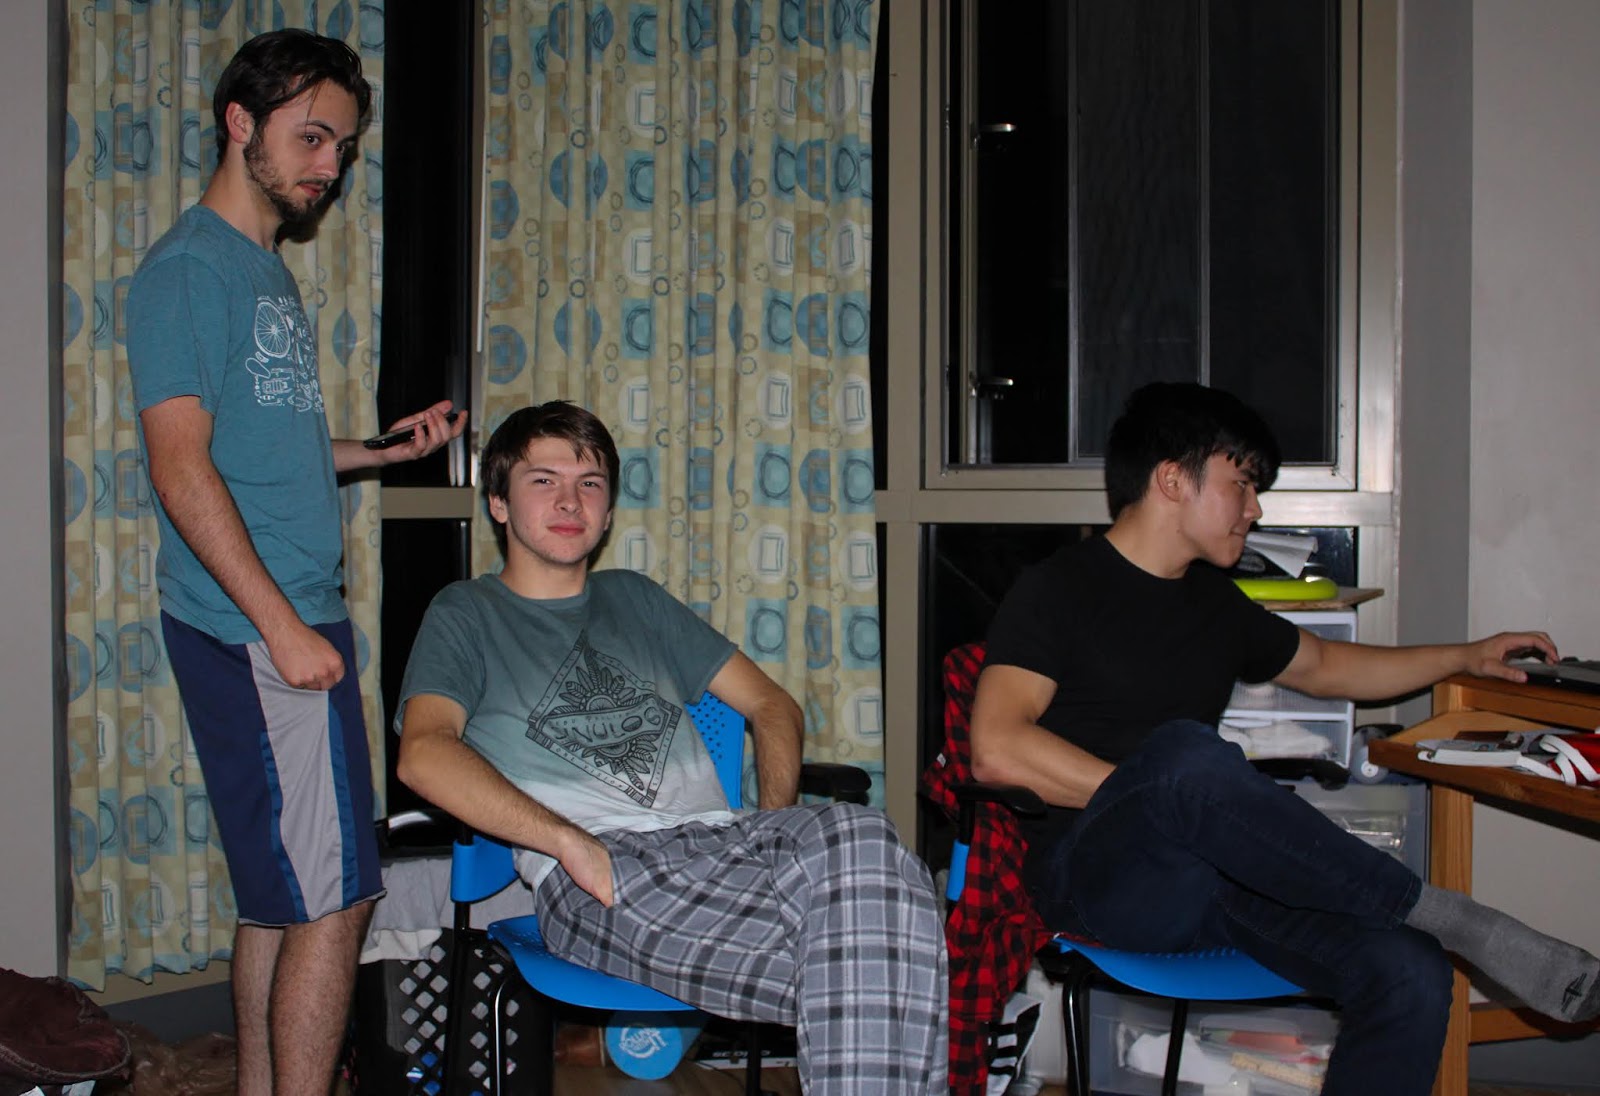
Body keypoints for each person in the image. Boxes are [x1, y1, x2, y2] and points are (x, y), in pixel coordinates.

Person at [969, 382, 1600, 1096]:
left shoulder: (1214, 602)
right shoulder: (1057, 588)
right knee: (1182, 758)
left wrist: (1465, 655)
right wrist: (1164, 797)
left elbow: (1327, 666)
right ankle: (1449, 915)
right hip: (1098, 881)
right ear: (1172, 479)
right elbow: (997, 749)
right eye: (1241, 484)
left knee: (1411, 973)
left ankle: (1425, 928)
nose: (1256, 509)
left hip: (1214, 879)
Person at [395, 401, 947, 1093]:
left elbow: (773, 706)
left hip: (726, 846)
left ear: (607, 510)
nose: (570, 500)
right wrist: (566, 842)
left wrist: (771, 824)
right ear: (499, 504)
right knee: (894, 950)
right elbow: (424, 752)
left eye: (590, 483)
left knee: (866, 839)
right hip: (601, 867)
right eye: (543, 481)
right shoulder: (467, 613)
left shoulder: (634, 599)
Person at [125, 29, 467, 1096]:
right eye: (311, 137)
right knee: (338, 899)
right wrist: (281, 627)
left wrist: (375, 451)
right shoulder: (190, 271)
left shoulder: (260, 270)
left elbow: (255, 444)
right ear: (241, 122)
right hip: (262, 624)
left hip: (279, 616)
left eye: (343, 147)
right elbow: (180, 466)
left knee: (280, 897)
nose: (330, 165)